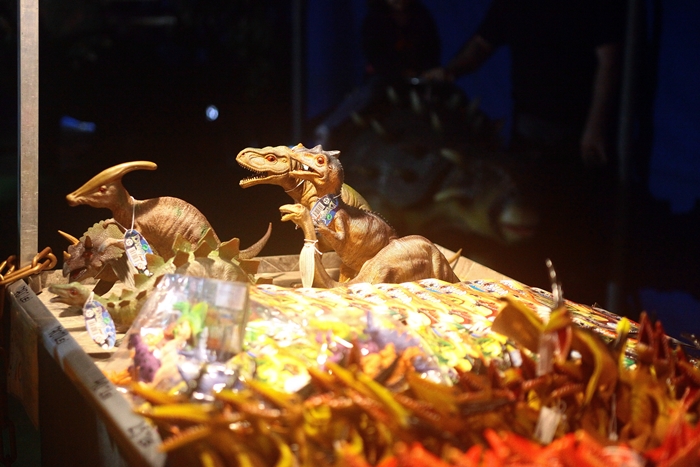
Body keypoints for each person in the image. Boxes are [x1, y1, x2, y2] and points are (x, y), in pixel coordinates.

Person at [424, 0, 625, 170]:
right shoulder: (514, 4)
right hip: (528, 126)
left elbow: (609, 61)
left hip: (578, 128)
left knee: (576, 197)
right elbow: (481, 44)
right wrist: (450, 71)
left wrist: (596, 126)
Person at [315, 0, 441, 145]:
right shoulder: (375, 19)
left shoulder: (421, 15)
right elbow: (375, 54)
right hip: (385, 77)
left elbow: (432, 48)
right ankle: (328, 128)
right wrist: (399, 71)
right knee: (370, 93)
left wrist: (429, 70)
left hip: (420, 78)